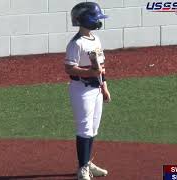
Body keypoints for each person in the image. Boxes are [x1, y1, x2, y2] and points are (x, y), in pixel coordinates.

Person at [64, 2, 111, 180]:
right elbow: (69, 68)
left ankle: (87, 162)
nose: (98, 21)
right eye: (95, 18)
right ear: (84, 20)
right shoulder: (76, 43)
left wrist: (104, 86)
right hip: (81, 90)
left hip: (96, 89)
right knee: (84, 128)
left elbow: (101, 66)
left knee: (93, 128)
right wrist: (89, 73)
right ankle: (82, 168)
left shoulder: (96, 39)